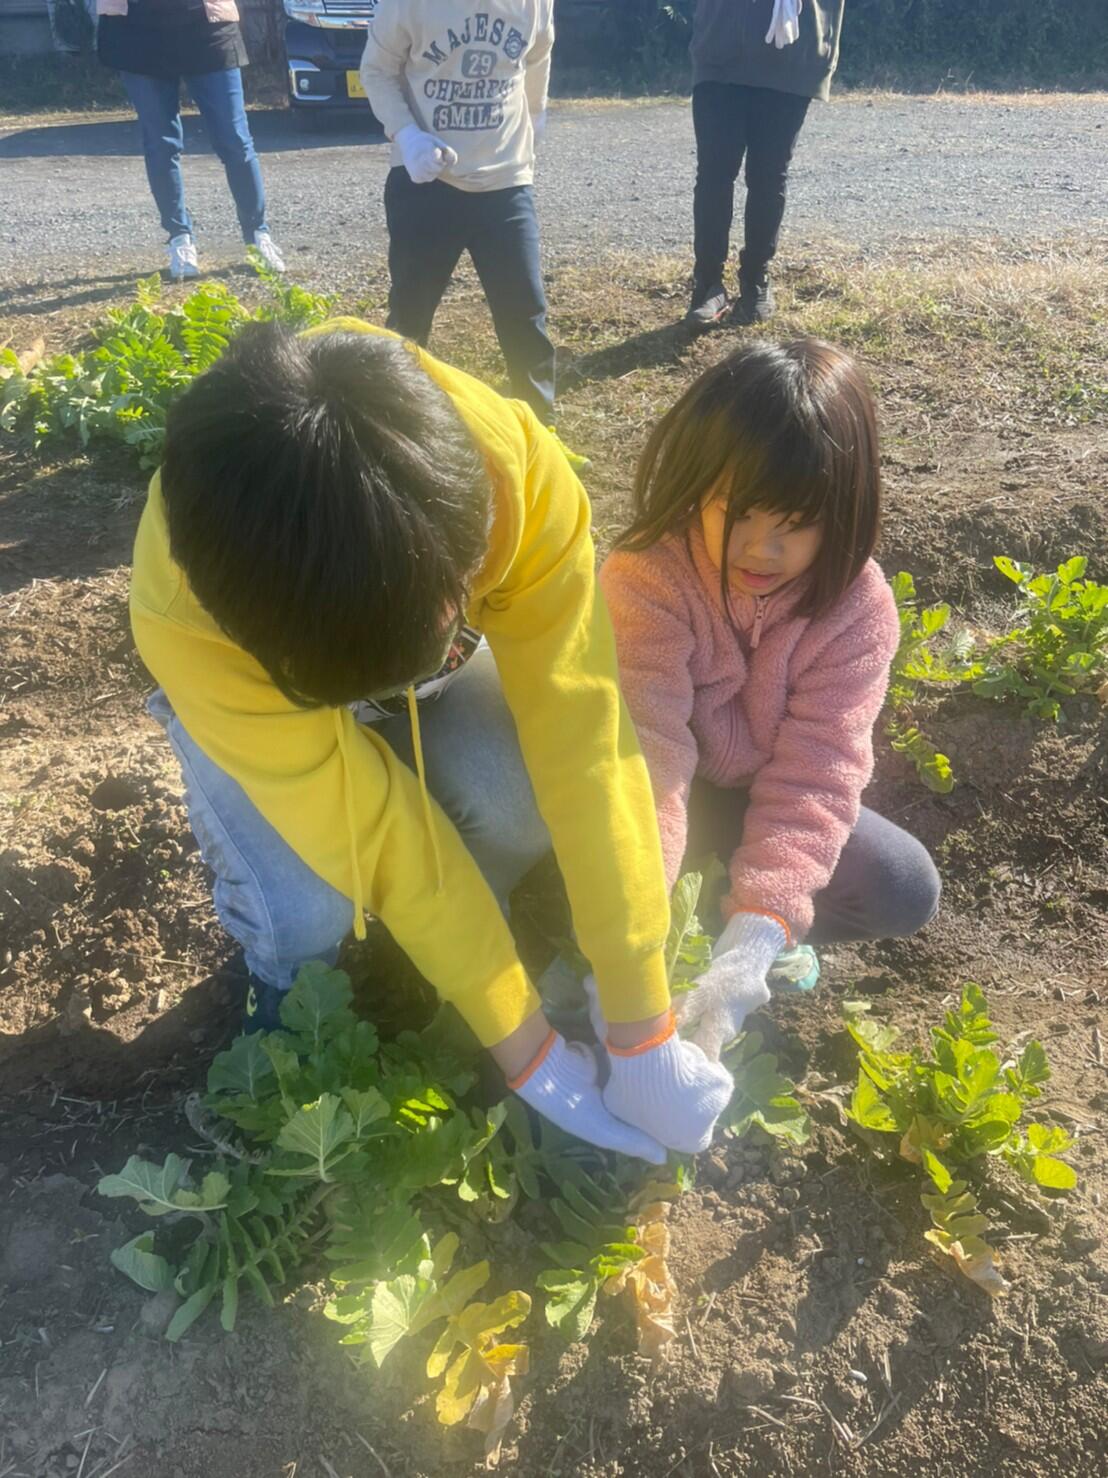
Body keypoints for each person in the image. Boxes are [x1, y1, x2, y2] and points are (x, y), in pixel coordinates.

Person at [130, 317, 735, 1160]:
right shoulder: (187, 614)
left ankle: (441, 938)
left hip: (405, 648)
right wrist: (527, 1054)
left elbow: (586, 739)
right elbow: (377, 829)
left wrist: (640, 1025)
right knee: (307, 911)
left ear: (467, 561)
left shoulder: (520, 488)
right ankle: (282, 991)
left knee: (513, 802)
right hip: (252, 697)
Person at [600, 339, 941, 1059]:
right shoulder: (646, 577)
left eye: (795, 526)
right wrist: (639, 933)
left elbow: (818, 772)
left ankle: (751, 925)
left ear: (845, 512)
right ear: (698, 490)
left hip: (760, 796)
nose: (762, 549)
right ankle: (646, 917)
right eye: (737, 513)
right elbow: (647, 754)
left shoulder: (858, 608)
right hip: (669, 795)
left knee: (904, 886)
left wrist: (756, 933)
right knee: (578, 847)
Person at [359, 1, 556, 422]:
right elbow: (376, 70)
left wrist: (536, 112)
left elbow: (538, 52)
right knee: (410, 317)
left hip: (506, 182)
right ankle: (397, 427)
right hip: (428, 182)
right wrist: (407, 135)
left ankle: (542, 433)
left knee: (525, 313)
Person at [96, 0, 285, 281]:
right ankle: (180, 239)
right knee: (161, 143)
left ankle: (258, 235)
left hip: (208, 26)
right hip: (136, 30)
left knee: (235, 140)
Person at [686, 0, 846, 329]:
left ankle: (756, 279)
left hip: (790, 56)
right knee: (714, 173)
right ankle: (707, 284)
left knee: (769, 176)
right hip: (721, 47)